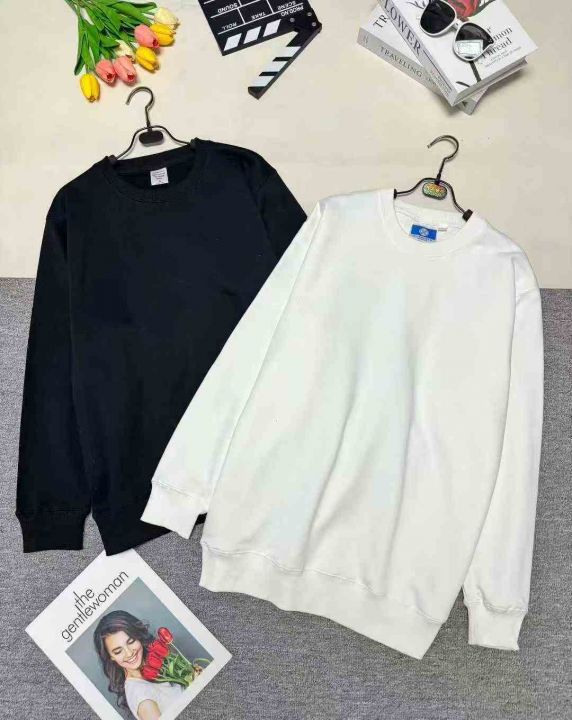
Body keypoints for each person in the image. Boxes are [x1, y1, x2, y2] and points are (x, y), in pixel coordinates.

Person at [93, 611, 184, 719]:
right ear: (110, 656)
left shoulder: (155, 662)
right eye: (118, 651)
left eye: (131, 641)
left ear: (138, 636)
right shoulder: (142, 697)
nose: (129, 653)